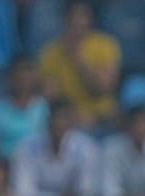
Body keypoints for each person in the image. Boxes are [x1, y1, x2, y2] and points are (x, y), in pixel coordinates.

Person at [10, 99, 99, 196]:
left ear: (71, 123)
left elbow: (86, 193)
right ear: (47, 122)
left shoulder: (87, 148)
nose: (59, 125)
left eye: (64, 121)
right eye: (56, 121)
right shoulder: (26, 149)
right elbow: (23, 193)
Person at [37, 1, 121, 131]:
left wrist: (76, 58)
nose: (77, 22)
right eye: (73, 17)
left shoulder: (105, 45)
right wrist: (71, 115)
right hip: (67, 121)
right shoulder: (50, 52)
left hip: (102, 119)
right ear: (64, 20)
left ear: (90, 20)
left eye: (82, 17)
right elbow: (50, 95)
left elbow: (102, 88)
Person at [0, 56, 50, 161]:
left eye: (27, 72)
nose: (23, 77)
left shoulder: (44, 108)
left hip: (38, 167)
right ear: (9, 76)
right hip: (5, 166)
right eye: (18, 73)